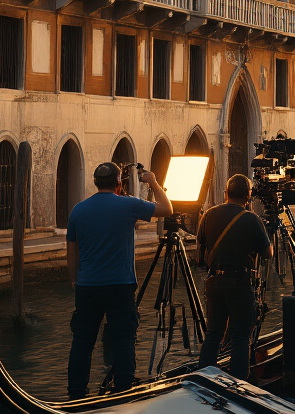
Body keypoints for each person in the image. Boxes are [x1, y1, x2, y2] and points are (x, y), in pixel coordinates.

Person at [66, 162, 173, 399]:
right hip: (120, 286)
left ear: (95, 182)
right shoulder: (129, 205)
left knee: (83, 341)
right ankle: (123, 390)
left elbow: (71, 251)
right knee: (123, 339)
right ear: (119, 183)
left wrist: (75, 280)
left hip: (87, 286)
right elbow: (167, 209)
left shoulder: (78, 210)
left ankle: (76, 394)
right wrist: (153, 182)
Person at [196, 174, 272, 379]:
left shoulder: (209, 214)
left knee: (213, 333)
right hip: (240, 282)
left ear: (225, 193)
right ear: (248, 196)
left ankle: (204, 379)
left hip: (214, 281)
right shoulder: (251, 218)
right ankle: (239, 383)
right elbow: (267, 254)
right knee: (240, 337)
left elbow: (200, 254)